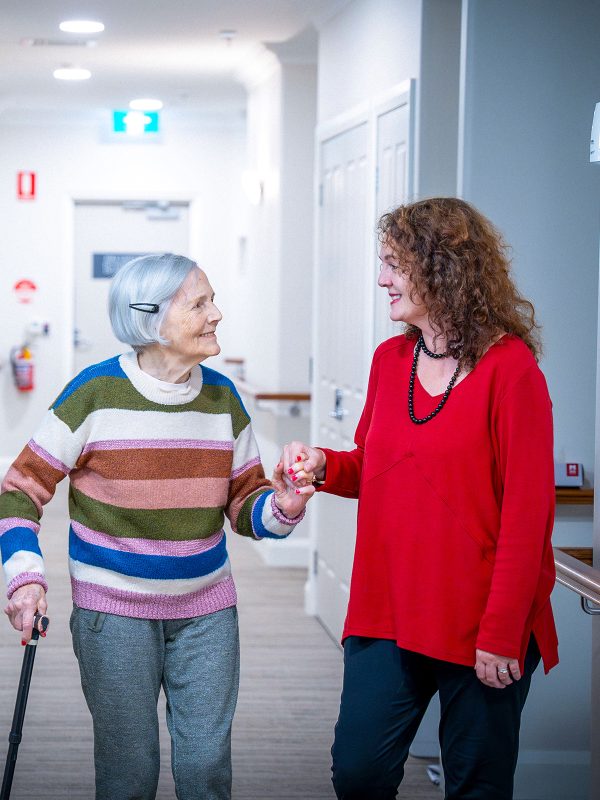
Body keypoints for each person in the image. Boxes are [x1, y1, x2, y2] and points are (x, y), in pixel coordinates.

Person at [1, 253, 309, 800]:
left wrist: (280, 507)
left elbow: (245, 503)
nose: (217, 313)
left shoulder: (222, 398)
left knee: (207, 763)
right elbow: (20, 491)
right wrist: (24, 576)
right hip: (112, 612)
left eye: (212, 299)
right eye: (200, 303)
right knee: (128, 768)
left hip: (207, 610)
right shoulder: (91, 395)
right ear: (149, 318)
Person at [282, 197, 558, 800]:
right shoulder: (390, 361)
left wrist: (502, 630)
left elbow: (527, 516)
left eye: (395, 265)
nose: (382, 279)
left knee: (476, 786)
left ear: (444, 269)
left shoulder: (512, 371)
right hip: (389, 607)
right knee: (358, 772)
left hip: (480, 617)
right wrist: (326, 467)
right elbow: (378, 469)